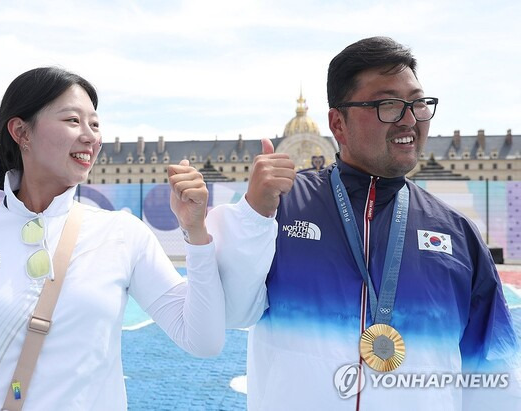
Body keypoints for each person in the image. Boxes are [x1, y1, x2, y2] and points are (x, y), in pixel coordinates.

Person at [207, 36, 520, 410]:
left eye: (418, 104)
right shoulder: (281, 208)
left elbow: (493, 376)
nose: (409, 119)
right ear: (338, 123)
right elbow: (231, 312)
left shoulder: (458, 234)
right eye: (388, 104)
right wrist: (253, 216)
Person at [0, 67, 225, 410]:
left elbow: (203, 339)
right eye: (72, 120)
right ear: (21, 132)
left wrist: (195, 232)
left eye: (95, 124)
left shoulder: (123, 234)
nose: (91, 137)